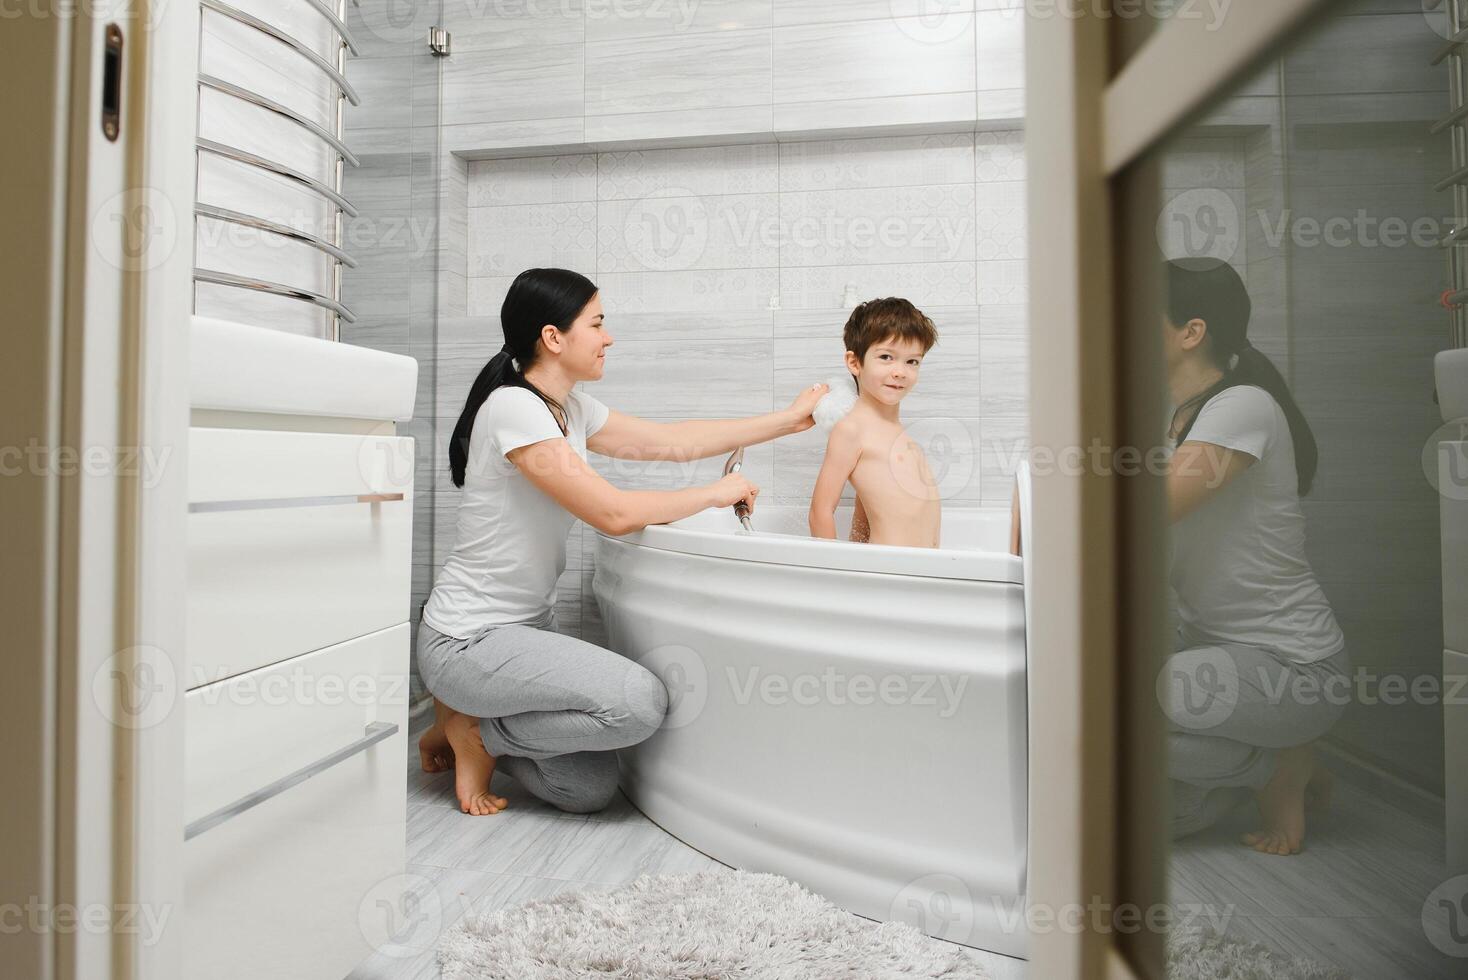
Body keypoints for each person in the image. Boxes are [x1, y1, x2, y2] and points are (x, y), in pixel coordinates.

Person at [416, 268, 829, 816]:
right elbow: (611, 513)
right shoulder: (514, 407)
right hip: (466, 641)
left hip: (524, 630)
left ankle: (467, 727)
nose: (608, 337)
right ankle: (475, 733)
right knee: (638, 702)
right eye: (598, 323)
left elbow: (674, 442)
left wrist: (784, 421)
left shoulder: (574, 409)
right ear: (553, 337)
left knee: (584, 789)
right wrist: (716, 493)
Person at [1159, 258, 1348, 855]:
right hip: (1219, 657)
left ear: (1192, 332)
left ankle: (1277, 769)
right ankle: (1234, 780)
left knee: (1116, 706)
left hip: (1292, 668)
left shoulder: (1243, 406)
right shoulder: (1179, 420)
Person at [808, 298, 941, 549]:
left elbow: (867, 509)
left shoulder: (899, 433)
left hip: (923, 574)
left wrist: (860, 550)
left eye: (912, 361)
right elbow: (820, 512)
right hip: (892, 574)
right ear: (855, 363)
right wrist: (838, 577)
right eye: (886, 357)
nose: (900, 371)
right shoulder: (851, 430)